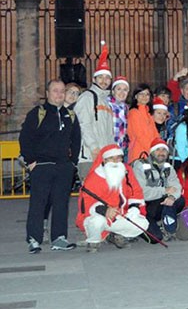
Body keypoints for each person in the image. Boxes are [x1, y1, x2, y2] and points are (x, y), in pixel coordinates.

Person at [20, 79, 81, 253]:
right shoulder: (37, 113)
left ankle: (59, 238)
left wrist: (73, 163)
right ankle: (34, 239)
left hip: (63, 167)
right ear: (47, 93)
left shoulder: (70, 115)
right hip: (42, 165)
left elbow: (76, 140)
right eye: (55, 91)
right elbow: (25, 138)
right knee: (38, 204)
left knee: (61, 203)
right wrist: (31, 161)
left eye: (62, 91)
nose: (59, 94)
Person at [76, 144, 149, 253]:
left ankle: (113, 234)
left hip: (120, 215)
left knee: (143, 223)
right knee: (97, 221)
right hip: (99, 215)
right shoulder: (95, 177)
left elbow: (136, 192)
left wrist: (134, 208)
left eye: (118, 158)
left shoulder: (127, 171)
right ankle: (94, 240)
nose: (115, 161)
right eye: (111, 158)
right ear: (104, 160)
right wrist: (105, 210)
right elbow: (86, 202)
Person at [75, 41, 115, 179]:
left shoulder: (106, 102)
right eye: (101, 77)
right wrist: (93, 148)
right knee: (90, 194)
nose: (104, 81)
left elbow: (109, 132)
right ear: (94, 79)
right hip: (90, 156)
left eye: (107, 78)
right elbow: (83, 124)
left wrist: (111, 152)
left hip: (104, 156)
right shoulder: (87, 97)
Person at [132, 138, 184, 242]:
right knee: (156, 239)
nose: (161, 153)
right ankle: (137, 228)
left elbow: (177, 187)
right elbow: (141, 193)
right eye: (158, 150)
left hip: (161, 203)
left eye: (164, 150)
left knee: (179, 200)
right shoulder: (140, 166)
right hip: (144, 206)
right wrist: (164, 191)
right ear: (151, 151)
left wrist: (172, 197)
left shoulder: (168, 167)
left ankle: (168, 228)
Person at [126, 85, 159, 162]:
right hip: (139, 153)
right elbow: (140, 135)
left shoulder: (148, 112)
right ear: (136, 96)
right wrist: (153, 151)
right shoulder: (134, 112)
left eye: (147, 94)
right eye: (141, 94)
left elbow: (155, 133)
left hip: (151, 153)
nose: (144, 96)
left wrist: (159, 146)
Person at [108, 76, 130, 156]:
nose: (122, 92)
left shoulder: (127, 108)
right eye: (119, 89)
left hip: (122, 150)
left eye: (125, 90)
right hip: (108, 149)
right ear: (113, 91)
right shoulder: (107, 105)